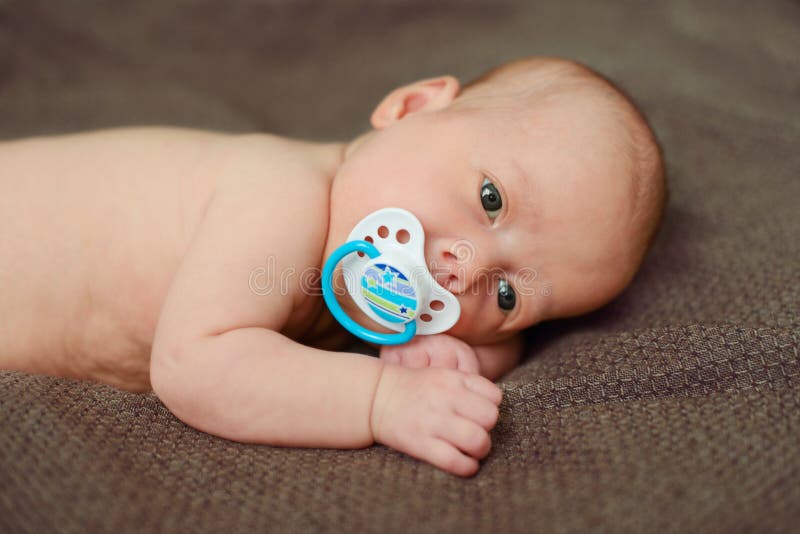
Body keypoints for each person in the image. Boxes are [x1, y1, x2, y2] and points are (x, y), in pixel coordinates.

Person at [0, 57, 666, 477]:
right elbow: (195, 364)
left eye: (511, 294)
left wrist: (459, 357)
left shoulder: (375, 286)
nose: (467, 271)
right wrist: (380, 399)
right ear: (410, 108)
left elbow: (496, 345)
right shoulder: (282, 193)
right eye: (490, 199)